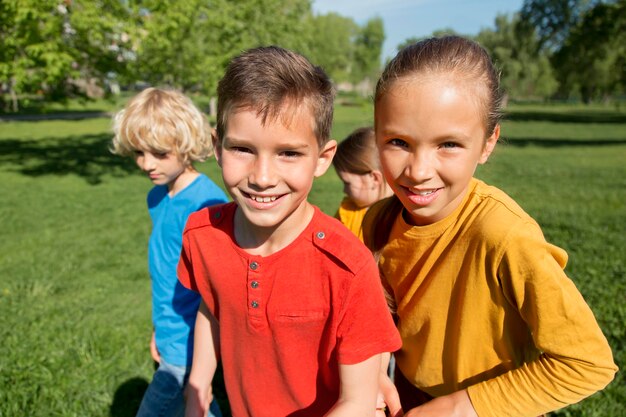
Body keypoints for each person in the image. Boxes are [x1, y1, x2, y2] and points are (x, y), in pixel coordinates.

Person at [364, 36, 617, 417]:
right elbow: (380, 313)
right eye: (398, 141)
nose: (417, 171)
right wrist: (373, 371)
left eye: (448, 144)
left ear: (487, 143)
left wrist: (459, 408)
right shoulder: (377, 220)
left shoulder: (503, 234)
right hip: (409, 395)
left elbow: (588, 363)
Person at [177, 46, 402, 417]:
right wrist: (196, 396)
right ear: (217, 148)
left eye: (289, 153)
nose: (262, 178)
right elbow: (211, 307)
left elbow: (358, 402)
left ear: (323, 158)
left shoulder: (348, 266)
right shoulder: (202, 236)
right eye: (243, 149)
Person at [111, 87, 227, 417]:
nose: (147, 164)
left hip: (192, 338)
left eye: (160, 154)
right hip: (170, 333)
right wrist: (159, 331)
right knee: (198, 404)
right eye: (139, 152)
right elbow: (166, 274)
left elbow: (217, 286)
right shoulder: (158, 197)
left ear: (186, 145)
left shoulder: (206, 205)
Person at [332, 127, 393, 241]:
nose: (344, 191)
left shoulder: (403, 218)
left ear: (374, 178)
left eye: (347, 183)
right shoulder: (347, 214)